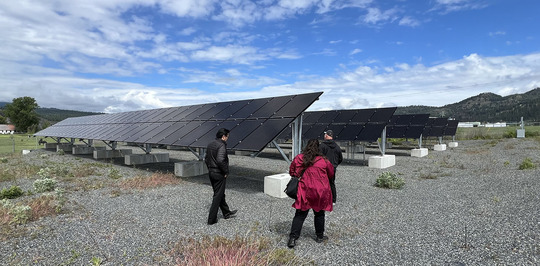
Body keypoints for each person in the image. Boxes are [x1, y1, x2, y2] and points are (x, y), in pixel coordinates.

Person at [287, 139, 334, 248]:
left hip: (305, 190)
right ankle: (319, 236)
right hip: (320, 191)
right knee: (319, 213)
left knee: (300, 215)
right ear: (319, 148)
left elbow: (292, 172)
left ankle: (293, 238)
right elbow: (331, 174)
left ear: (306, 146)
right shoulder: (324, 161)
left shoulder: (299, 158)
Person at [205, 128, 237, 225]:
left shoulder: (210, 144)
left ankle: (226, 213)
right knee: (217, 196)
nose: (227, 138)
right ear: (223, 136)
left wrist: (210, 169)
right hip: (219, 173)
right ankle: (211, 219)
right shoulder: (222, 145)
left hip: (211, 172)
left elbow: (206, 159)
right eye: (227, 136)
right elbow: (220, 160)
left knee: (219, 193)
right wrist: (225, 171)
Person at [319, 130, 343, 204]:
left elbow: (319, 157)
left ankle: (323, 199)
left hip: (324, 168)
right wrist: (335, 165)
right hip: (333, 168)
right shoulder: (337, 147)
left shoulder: (322, 146)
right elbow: (340, 158)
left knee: (322, 183)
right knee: (331, 183)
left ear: (326, 136)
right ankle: (333, 200)